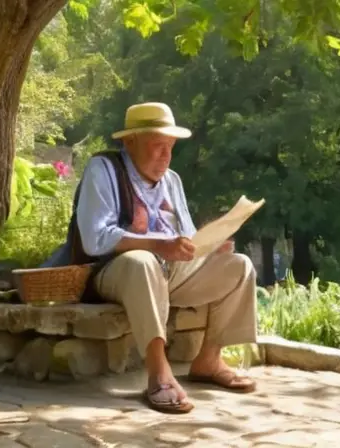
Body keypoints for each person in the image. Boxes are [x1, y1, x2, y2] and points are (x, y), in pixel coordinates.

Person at [42, 102, 258, 414]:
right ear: (130, 142)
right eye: (157, 147)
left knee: (239, 266)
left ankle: (209, 360)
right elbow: (94, 239)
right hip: (115, 272)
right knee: (142, 261)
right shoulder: (103, 170)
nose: (165, 156)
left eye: (170, 147)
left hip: (169, 272)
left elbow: (184, 237)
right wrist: (158, 244)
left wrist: (209, 246)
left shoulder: (172, 180)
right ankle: (159, 373)